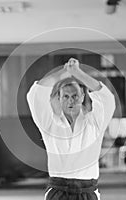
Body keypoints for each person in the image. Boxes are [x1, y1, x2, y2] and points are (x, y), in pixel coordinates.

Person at [27, 58, 115, 200]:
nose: (70, 101)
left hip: (88, 190)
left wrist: (78, 73)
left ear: (82, 97)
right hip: (58, 190)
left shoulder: (94, 123)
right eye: (66, 96)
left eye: (75, 96)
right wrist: (65, 72)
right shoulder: (49, 124)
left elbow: (107, 99)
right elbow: (35, 94)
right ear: (59, 98)